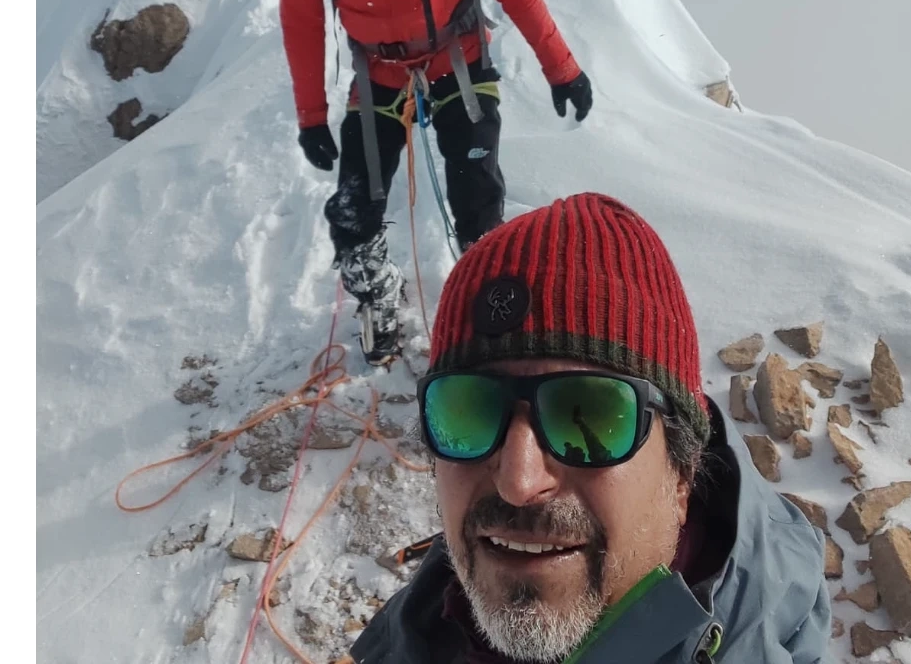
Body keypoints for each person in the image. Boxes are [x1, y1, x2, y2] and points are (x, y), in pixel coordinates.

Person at [346, 192, 832, 663]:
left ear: (682, 474)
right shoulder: (426, 620)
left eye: (592, 416)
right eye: (469, 411)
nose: (517, 482)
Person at [278, 0, 594, 366]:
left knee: (476, 199)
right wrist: (311, 117)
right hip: (378, 72)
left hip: (458, 60)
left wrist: (562, 68)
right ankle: (379, 296)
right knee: (353, 211)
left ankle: (486, 313)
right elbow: (300, 19)